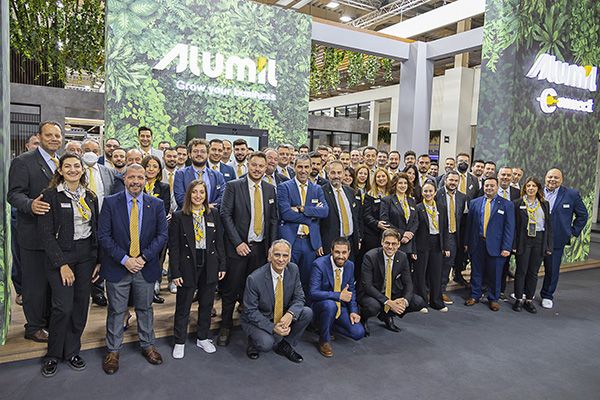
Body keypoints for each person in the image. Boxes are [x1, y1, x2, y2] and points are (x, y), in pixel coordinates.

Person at [98, 164, 168, 375]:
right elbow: (103, 236)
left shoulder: (156, 204)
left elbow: (162, 236)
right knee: (117, 310)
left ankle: (148, 345)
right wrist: (125, 259)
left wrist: (143, 257)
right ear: (124, 179)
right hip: (118, 266)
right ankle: (113, 350)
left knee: (145, 309)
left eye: (140, 177)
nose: (136, 181)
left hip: (145, 267)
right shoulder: (110, 202)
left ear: (146, 179)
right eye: (131, 177)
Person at [37, 153, 100, 377]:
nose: (73, 170)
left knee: (81, 305)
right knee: (63, 307)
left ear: (82, 169)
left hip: (86, 257)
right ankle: (53, 354)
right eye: (68, 166)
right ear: (60, 171)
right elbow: (45, 234)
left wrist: (97, 260)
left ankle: (72, 351)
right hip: (61, 256)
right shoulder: (50, 196)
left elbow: (95, 229)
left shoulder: (90, 196)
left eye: (76, 166)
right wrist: (62, 264)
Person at [8, 120, 64, 343]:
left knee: (51, 284)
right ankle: (33, 327)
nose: (53, 139)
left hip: (56, 237)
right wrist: (30, 205)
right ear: (39, 137)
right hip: (33, 235)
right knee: (34, 285)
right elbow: (14, 195)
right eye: (49, 135)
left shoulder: (62, 162)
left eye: (57, 136)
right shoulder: (23, 162)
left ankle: (48, 322)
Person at [218, 152, 279, 346]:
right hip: (237, 249)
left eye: (261, 166)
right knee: (230, 290)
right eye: (254, 165)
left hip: (260, 250)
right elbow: (225, 214)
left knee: (254, 293)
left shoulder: (270, 189)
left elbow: (273, 220)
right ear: (247, 165)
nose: (257, 169)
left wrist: (272, 247)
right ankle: (225, 326)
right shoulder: (233, 186)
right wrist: (238, 243)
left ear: (266, 168)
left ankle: (253, 331)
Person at [169, 180, 226, 358]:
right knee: (183, 304)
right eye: (194, 192)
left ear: (206, 195)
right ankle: (179, 341)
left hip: (210, 263)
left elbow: (220, 242)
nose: (198, 195)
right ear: (189, 194)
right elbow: (174, 247)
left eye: (202, 192)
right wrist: (175, 272)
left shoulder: (213, 214)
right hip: (187, 264)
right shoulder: (179, 216)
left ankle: (203, 337)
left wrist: (222, 264)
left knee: (207, 303)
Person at [241, 240, 312, 362]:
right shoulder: (254, 279)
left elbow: (299, 297)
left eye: (285, 256)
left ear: (289, 258)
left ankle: (284, 344)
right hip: (259, 318)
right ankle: (253, 341)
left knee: (307, 312)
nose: (281, 259)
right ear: (269, 256)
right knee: (266, 343)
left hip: (281, 314)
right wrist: (273, 327)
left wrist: (290, 314)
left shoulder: (293, 269)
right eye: (277, 255)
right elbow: (250, 311)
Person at [277, 155, 329, 293]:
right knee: (287, 279)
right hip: (291, 240)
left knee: (307, 280)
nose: (303, 170)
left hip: (310, 242)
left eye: (306, 167)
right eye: (300, 167)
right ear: (294, 167)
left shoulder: (317, 189)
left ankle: (304, 306)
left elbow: (324, 211)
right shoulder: (284, 187)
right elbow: (286, 214)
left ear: (311, 168)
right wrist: (311, 217)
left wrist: (302, 209)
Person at [359, 229, 427, 335]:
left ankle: (387, 315)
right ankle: (363, 318)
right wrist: (389, 302)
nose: (390, 247)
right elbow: (367, 286)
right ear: (382, 242)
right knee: (373, 307)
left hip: (391, 291)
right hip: (371, 293)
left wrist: (404, 301)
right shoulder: (370, 256)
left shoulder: (402, 257)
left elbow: (408, 283)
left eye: (394, 244)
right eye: (387, 243)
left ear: (399, 244)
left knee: (418, 302)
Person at [464, 177, 515, 311]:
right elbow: (469, 225)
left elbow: (509, 228)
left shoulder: (507, 205)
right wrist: (467, 243)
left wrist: (506, 247)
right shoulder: (474, 203)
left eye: (492, 186)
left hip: (497, 246)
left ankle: (493, 299)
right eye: (486, 186)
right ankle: (475, 295)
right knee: (476, 271)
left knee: (495, 274)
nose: (489, 188)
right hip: (477, 243)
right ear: (483, 187)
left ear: (497, 187)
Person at [540, 168, 588, 309]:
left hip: (557, 239)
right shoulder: (537, 191)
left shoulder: (571, 194)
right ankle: (526, 292)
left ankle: (547, 295)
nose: (552, 180)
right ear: (545, 178)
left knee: (552, 269)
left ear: (562, 180)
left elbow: (583, 215)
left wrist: (572, 232)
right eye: (550, 177)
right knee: (530, 267)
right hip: (536, 237)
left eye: (556, 177)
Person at [309, 238, 364, 357]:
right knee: (330, 305)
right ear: (331, 251)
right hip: (321, 306)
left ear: (349, 253)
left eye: (344, 252)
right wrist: (338, 295)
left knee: (358, 333)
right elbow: (313, 293)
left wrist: (353, 311)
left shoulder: (350, 265)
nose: (341, 256)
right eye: (337, 252)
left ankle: (327, 325)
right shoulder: (319, 264)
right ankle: (324, 340)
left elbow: (351, 291)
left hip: (340, 307)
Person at [82, 139, 117, 307]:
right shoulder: (75, 171)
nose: (91, 153)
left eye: (95, 150)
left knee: (101, 256)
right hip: (82, 221)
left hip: (103, 220)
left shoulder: (107, 172)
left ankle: (98, 291)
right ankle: (83, 290)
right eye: (87, 150)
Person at [512, 177, 552, 313]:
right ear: (524, 188)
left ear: (538, 188)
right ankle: (518, 299)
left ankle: (529, 300)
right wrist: (514, 244)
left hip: (539, 240)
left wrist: (548, 245)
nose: (530, 188)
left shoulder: (544, 204)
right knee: (521, 270)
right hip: (523, 239)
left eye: (533, 186)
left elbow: (548, 226)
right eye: (528, 186)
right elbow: (514, 226)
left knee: (533, 272)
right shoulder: (518, 203)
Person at [414, 181, 450, 312]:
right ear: (422, 193)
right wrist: (413, 249)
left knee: (436, 274)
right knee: (420, 274)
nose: (428, 193)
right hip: (422, 244)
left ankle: (436, 302)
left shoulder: (441, 207)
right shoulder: (418, 208)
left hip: (437, 243)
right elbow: (414, 229)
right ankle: (421, 303)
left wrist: (446, 246)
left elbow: (445, 228)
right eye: (425, 191)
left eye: (430, 191)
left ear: (435, 193)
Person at [141, 154, 171, 303]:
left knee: (157, 258)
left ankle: (154, 285)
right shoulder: (137, 185)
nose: (151, 169)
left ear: (159, 170)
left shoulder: (164, 187)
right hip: (139, 228)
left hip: (157, 228)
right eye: (148, 166)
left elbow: (164, 209)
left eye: (155, 166)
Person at [436, 171, 468, 298]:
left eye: (456, 180)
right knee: (436, 263)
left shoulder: (462, 197)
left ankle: (441, 290)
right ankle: (431, 289)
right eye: (451, 180)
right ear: (445, 180)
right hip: (438, 235)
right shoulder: (437, 194)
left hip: (454, 235)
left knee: (447, 264)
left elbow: (463, 219)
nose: (453, 183)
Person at [320, 161, 361, 259]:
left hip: (349, 242)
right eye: (333, 173)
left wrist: (358, 237)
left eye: (339, 173)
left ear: (343, 174)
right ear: (328, 174)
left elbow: (356, 217)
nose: (336, 176)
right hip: (330, 243)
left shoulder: (350, 192)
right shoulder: (321, 192)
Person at [359, 167, 392, 282]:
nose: (381, 179)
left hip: (389, 234)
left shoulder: (392, 194)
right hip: (372, 234)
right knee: (373, 262)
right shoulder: (370, 195)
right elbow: (366, 215)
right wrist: (377, 223)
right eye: (378, 177)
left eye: (383, 176)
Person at [174, 138, 225, 209]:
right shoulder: (180, 174)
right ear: (189, 154)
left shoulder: (218, 175)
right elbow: (180, 198)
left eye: (203, 151)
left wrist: (209, 207)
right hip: (187, 213)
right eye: (195, 151)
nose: (199, 154)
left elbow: (223, 196)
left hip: (211, 213)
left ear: (208, 154)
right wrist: (198, 208)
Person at [380, 173, 418, 258]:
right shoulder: (387, 200)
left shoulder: (412, 201)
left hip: (409, 243)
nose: (403, 185)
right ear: (395, 185)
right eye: (400, 183)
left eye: (405, 183)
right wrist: (402, 233)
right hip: (393, 242)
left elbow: (415, 221)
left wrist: (409, 235)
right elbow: (385, 221)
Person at [497, 166, 521, 297]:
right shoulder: (490, 188)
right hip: (491, 234)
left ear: (512, 178)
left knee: (504, 264)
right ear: (498, 176)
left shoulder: (517, 193)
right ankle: (485, 288)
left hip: (509, 235)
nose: (505, 177)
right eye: (503, 175)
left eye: (508, 175)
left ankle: (500, 290)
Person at [162, 147, 179, 214]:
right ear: (163, 158)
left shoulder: (183, 175)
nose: (172, 159)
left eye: (174, 156)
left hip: (179, 213)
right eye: (169, 156)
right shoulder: (158, 175)